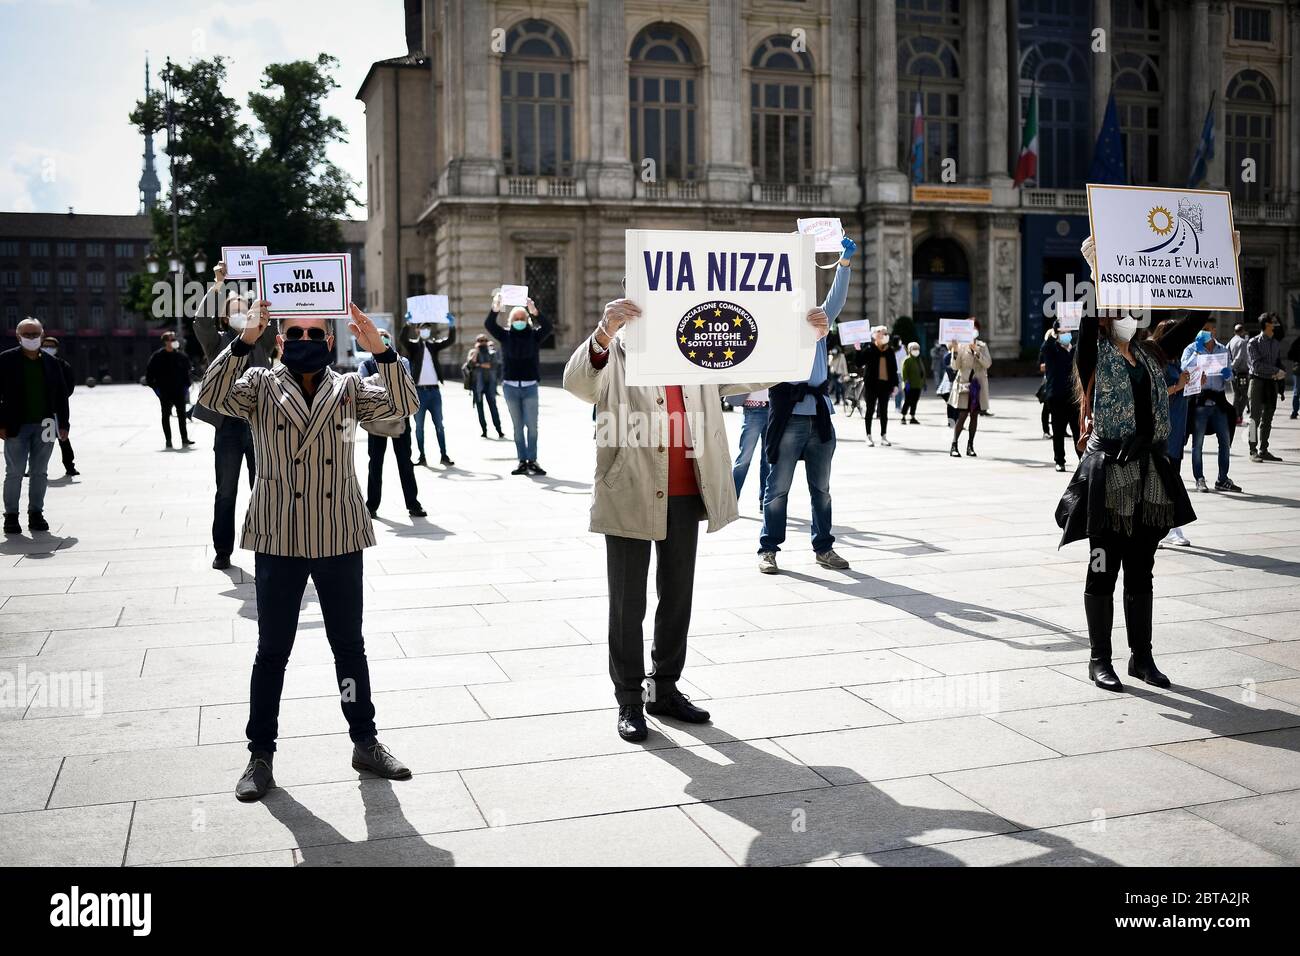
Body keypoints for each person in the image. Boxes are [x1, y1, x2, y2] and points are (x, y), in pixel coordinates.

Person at [562, 293, 830, 741]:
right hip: (629, 488)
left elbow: (757, 369)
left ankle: (664, 689)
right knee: (628, 603)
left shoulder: (698, 350)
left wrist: (807, 338)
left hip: (688, 490)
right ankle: (629, 699)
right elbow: (578, 383)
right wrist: (604, 331)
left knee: (677, 596)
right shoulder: (619, 351)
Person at [196, 300, 419, 801]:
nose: (303, 340)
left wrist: (381, 350)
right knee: (272, 651)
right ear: (280, 341)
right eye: (293, 332)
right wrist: (244, 339)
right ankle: (260, 754)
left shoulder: (349, 388)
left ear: (330, 342)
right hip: (279, 537)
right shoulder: (259, 385)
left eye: (314, 334)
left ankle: (364, 739)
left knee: (349, 646)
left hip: (338, 533)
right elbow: (210, 395)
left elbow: (403, 405)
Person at [1058, 236, 1209, 693]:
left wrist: (1224, 264)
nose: (1129, 315)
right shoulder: (1094, 353)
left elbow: (1196, 319)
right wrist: (1096, 268)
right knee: (1103, 564)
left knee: (1142, 566)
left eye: (1132, 309)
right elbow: (1087, 319)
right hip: (1110, 470)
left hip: (1149, 472)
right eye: (1119, 308)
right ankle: (1098, 658)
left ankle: (1141, 657)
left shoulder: (1151, 350)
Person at [758, 237, 856, 574]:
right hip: (789, 417)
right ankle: (768, 548)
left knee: (822, 490)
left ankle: (824, 548)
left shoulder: (819, 318)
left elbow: (836, 299)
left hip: (820, 416)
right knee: (778, 488)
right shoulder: (774, 325)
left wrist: (844, 262)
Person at [193, 263, 277, 570]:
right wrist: (217, 285)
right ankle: (222, 550)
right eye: (236, 310)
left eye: (247, 309)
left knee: (265, 489)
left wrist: (266, 287)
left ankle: (267, 547)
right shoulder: (217, 341)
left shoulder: (264, 340)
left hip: (261, 427)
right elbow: (200, 321)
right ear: (226, 318)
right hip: (228, 427)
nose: (243, 314)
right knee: (226, 491)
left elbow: (275, 323)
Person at [1, 318, 70, 534]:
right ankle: (11, 516)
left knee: (40, 472)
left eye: (35, 334)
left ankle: (36, 513)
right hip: (15, 424)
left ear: (42, 335)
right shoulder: (6, 360)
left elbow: (61, 395)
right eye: (26, 334)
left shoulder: (51, 362)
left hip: (47, 423)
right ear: (18, 336)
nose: (31, 338)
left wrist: (64, 424)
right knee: (15, 471)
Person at [361, 328, 426, 519]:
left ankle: (413, 504)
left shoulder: (402, 361)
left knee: (405, 461)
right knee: (375, 463)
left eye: (386, 337)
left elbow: (405, 383)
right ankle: (371, 506)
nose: (382, 339)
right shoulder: (365, 364)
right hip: (376, 421)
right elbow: (363, 387)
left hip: (400, 419)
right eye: (379, 337)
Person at [486, 295, 551, 475]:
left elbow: (548, 327)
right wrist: (496, 308)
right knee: (517, 427)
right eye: (516, 318)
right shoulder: (505, 335)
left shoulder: (534, 336)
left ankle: (533, 460)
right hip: (511, 387)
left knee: (532, 426)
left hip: (530, 387)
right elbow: (490, 325)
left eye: (523, 318)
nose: (520, 321)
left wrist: (535, 311)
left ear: (527, 320)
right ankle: (522, 461)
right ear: (511, 320)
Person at [1183, 321, 1241, 493]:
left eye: (1208, 330)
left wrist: (1228, 373)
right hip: (1200, 401)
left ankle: (1222, 479)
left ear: (1214, 331)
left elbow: (1230, 376)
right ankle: (1199, 479)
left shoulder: (1222, 349)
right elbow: (1184, 367)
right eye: (1202, 330)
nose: (1206, 332)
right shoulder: (1191, 348)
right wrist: (1197, 351)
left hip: (1219, 401)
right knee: (1197, 443)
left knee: (1224, 442)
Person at [1153, 319, 1193, 547]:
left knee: (1172, 477)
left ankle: (1169, 527)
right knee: (1161, 479)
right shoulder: (1156, 361)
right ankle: (1158, 528)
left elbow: (1179, 389)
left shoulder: (1175, 360)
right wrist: (1178, 386)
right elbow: (1155, 393)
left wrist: (1193, 383)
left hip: (1177, 426)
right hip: (1162, 429)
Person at [402, 314, 456, 467]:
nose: (426, 330)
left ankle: (444, 455)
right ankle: (422, 456)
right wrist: (407, 324)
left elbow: (450, 340)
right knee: (419, 427)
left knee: (439, 425)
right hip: (419, 393)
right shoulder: (413, 346)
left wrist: (451, 326)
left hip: (434, 392)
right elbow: (402, 340)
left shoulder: (433, 345)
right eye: (423, 328)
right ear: (418, 330)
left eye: (428, 328)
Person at [1039, 320, 1079, 472]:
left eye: (1068, 331)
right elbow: (1045, 346)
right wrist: (1054, 333)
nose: (1066, 335)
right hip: (1056, 396)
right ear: (1057, 334)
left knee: (1077, 431)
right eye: (1063, 332)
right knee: (1058, 430)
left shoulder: (1074, 349)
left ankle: (1082, 459)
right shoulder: (1051, 349)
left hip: (1073, 396)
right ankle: (1059, 460)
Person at [1246, 313, 1285, 462]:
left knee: (1268, 417)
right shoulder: (1253, 343)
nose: (1275, 325)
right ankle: (1252, 450)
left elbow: (1277, 361)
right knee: (1254, 418)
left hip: (1271, 383)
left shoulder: (1275, 343)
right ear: (1266, 325)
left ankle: (1264, 449)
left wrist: (1281, 372)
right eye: (1273, 322)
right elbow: (1256, 365)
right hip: (1257, 382)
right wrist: (1276, 371)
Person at [948, 323, 991, 457]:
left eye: (975, 330)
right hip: (964, 385)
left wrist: (977, 351)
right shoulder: (960, 347)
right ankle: (954, 445)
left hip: (977, 386)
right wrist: (954, 350)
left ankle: (970, 445)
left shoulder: (982, 346)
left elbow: (987, 364)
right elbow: (955, 367)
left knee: (974, 415)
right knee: (962, 415)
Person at [145, 330, 194, 449]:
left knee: (182, 415)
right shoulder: (157, 357)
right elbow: (149, 376)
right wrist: (157, 390)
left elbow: (188, 372)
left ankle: (185, 439)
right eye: (172, 340)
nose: (174, 341)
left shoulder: (181, 356)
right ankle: (168, 440)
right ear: (165, 342)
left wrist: (186, 387)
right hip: (165, 392)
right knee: (165, 416)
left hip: (179, 391)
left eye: (174, 339)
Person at [41, 336, 77, 477]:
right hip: (42, 410)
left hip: (57, 410)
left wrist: (60, 399)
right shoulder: (38, 363)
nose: (48, 348)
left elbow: (69, 385)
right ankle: (37, 467)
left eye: (51, 346)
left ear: (57, 348)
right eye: (45, 345)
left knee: (63, 438)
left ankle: (70, 466)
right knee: (44, 441)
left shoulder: (62, 365)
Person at [857, 326, 898, 447]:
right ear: (875, 335)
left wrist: (895, 384)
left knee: (884, 411)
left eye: (886, 333)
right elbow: (859, 363)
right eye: (882, 333)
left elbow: (893, 369)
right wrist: (858, 350)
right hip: (871, 385)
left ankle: (883, 436)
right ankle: (868, 436)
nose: (885, 335)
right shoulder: (869, 348)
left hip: (885, 385)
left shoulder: (889, 350)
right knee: (870, 410)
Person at [731, 390, 771, 508]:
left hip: (774, 407)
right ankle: (732, 501)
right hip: (753, 408)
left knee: (768, 459)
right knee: (744, 459)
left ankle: (765, 500)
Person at [465, 333, 505, 438]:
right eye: (480, 340)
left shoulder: (492, 352)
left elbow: (492, 365)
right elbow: (470, 365)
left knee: (493, 407)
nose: (482, 343)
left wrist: (478, 365)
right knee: (480, 409)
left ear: (487, 341)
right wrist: (476, 352)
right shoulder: (473, 352)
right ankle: (484, 430)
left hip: (490, 384)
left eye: (484, 340)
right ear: (476, 342)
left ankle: (499, 430)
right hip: (477, 385)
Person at [1227, 322, 1250, 426]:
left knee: (1237, 395)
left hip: (1233, 372)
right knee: (1245, 396)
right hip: (1241, 372)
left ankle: (1234, 417)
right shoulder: (1242, 342)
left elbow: (1227, 355)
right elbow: (1240, 357)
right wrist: (1233, 367)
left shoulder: (1231, 341)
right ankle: (1238, 415)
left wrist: (1230, 368)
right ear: (1243, 331)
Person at [899, 342, 925, 424]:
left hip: (918, 385)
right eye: (914, 349)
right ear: (910, 350)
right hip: (909, 385)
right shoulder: (907, 360)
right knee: (908, 401)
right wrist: (906, 382)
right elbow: (904, 373)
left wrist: (923, 383)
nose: (916, 351)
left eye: (917, 349)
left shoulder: (919, 360)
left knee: (914, 401)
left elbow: (922, 372)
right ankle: (903, 416)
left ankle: (912, 417)